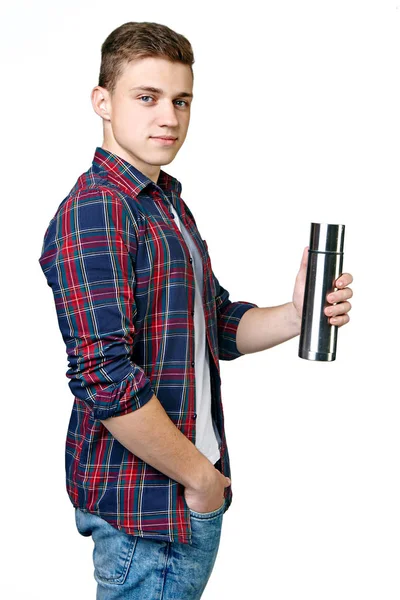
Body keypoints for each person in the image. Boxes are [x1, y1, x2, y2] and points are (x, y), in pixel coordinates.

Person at [38, 21, 353, 600]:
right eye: (146, 97)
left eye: (181, 100)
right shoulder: (96, 213)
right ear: (101, 102)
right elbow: (103, 379)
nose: (169, 117)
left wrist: (297, 312)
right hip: (148, 509)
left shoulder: (166, 206)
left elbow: (219, 325)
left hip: (182, 500)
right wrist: (201, 479)